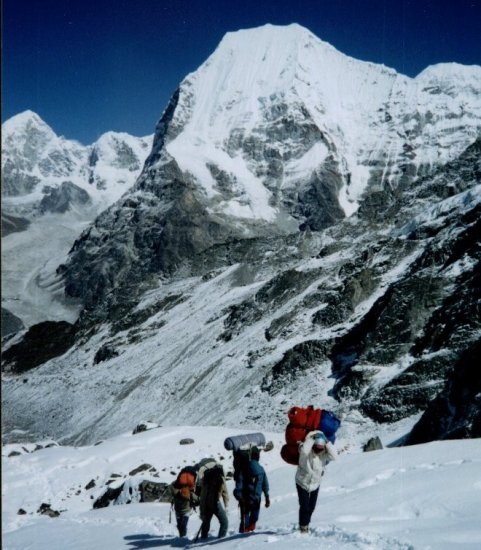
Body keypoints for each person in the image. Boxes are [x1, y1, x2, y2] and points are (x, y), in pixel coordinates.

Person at [296, 430, 337, 533]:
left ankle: (306, 523)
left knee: (311, 507)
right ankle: (303, 527)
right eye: (317, 447)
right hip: (302, 482)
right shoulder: (304, 450)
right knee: (304, 506)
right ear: (313, 445)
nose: (319, 450)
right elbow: (305, 450)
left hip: (315, 483)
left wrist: (327, 442)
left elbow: (334, 456)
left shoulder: (323, 454)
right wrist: (311, 439)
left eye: (321, 448)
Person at [233, 446, 270, 533]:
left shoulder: (244, 468)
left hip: (245, 497)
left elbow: (239, 482)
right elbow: (265, 484)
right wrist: (267, 496)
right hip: (257, 497)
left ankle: (242, 536)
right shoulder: (261, 469)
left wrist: (238, 494)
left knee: (245, 519)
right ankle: (249, 536)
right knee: (254, 518)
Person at [198, 462, 229, 540]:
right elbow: (225, 492)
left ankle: (203, 538)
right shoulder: (220, 477)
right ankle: (221, 540)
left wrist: (202, 511)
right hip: (215, 502)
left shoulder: (206, 479)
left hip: (207, 503)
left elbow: (203, 496)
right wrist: (226, 505)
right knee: (224, 522)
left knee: (206, 522)